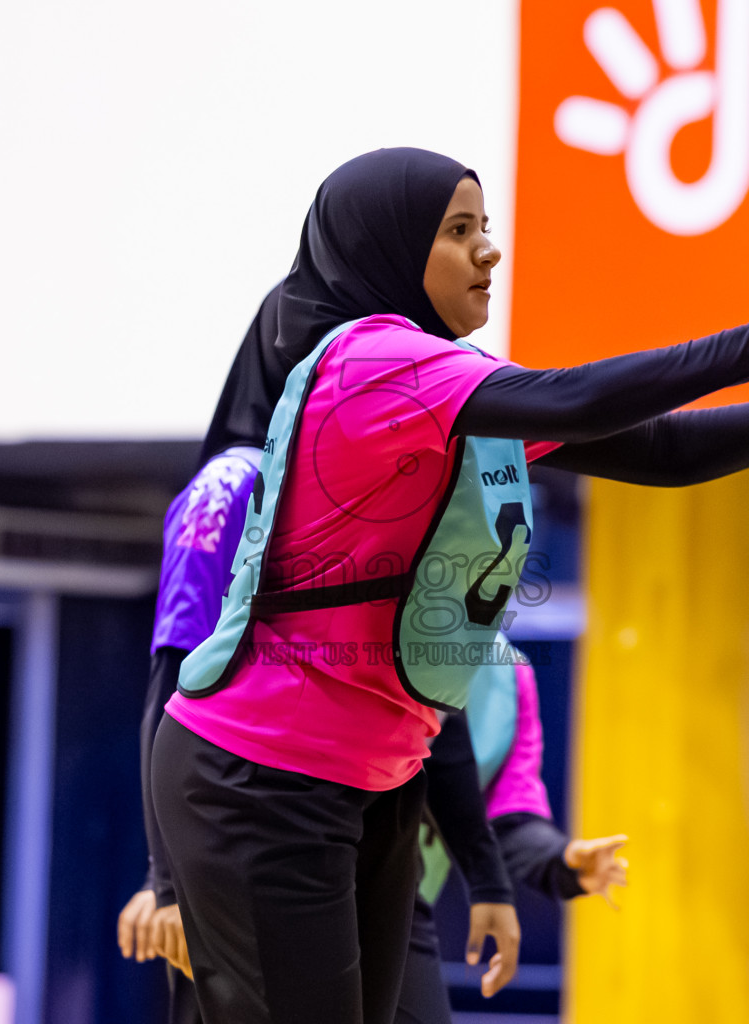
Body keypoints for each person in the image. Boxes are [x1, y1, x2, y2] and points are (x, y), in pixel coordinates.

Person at [153, 146, 749, 1024]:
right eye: (459, 231)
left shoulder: (443, 387)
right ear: (388, 251)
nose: (489, 250)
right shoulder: (372, 362)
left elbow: (659, 451)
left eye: (485, 227)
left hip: (374, 781)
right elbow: (578, 398)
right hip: (259, 775)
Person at [117, 284, 521, 1019]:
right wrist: (165, 883)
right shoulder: (232, 488)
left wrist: (487, 876)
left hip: (373, 834)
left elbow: (430, 696)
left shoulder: (378, 488)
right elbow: (173, 684)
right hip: (262, 832)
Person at [398, 651, 628, 1024]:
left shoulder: (509, 670)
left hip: (405, 895)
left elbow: (507, 812)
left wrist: (562, 860)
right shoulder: (389, 628)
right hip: (321, 859)